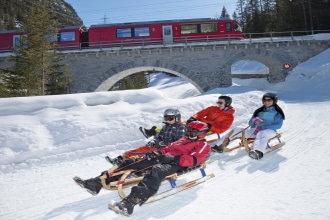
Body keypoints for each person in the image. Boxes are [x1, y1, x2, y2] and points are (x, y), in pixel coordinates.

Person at [73, 121, 211, 211]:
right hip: (164, 157)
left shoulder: (203, 145)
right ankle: (97, 183)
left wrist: (171, 158)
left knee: (157, 170)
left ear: (201, 134)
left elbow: (194, 160)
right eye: (188, 132)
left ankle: (133, 200)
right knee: (132, 162)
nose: (188, 135)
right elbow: (166, 148)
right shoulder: (183, 139)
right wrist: (155, 153)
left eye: (192, 133)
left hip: (178, 164)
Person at [105, 108, 186, 165]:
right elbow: (159, 136)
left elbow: (179, 143)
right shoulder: (166, 127)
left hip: (169, 151)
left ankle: (133, 165)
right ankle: (120, 160)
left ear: (177, 117)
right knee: (140, 150)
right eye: (166, 118)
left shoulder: (181, 127)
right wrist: (154, 141)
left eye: (170, 118)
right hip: (160, 147)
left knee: (144, 153)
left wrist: (161, 143)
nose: (168, 120)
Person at [247, 93, 285, 160]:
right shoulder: (259, 111)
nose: (266, 102)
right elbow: (250, 123)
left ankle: (258, 152)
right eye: (264, 100)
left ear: (274, 101)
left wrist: (263, 126)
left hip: (270, 131)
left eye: (269, 100)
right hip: (256, 129)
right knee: (239, 130)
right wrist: (254, 121)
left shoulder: (277, 113)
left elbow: (278, 125)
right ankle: (223, 143)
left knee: (261, 134)